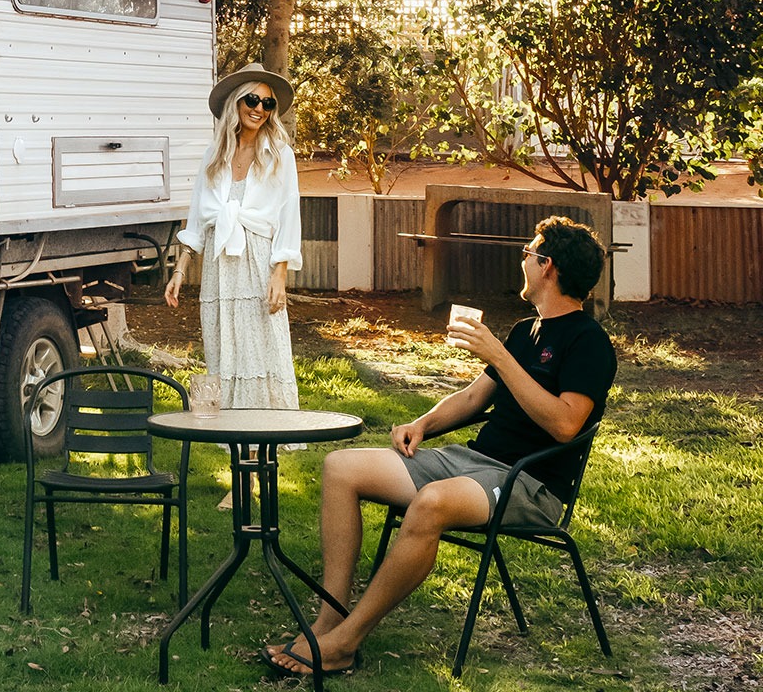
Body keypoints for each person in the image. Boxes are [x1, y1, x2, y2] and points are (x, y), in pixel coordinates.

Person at [261, 215, 616, 679]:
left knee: (430, 504)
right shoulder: (524, 330)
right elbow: (472, 398)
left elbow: (566, 425)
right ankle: (329, 619)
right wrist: (422, 424)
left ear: (548, 266)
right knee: (341, 467)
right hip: (472, 463)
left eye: (529, 252)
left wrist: (499, 357)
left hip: (529, 483)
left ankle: (345, 644)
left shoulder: (589, 342)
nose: (522, 259)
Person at [164, 61, 303, 415]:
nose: (259, 109)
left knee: (263, 346)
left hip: (258, 260)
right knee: (224, 346)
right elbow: (197, 218)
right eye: (253, 100)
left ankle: (265, 434)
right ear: (237, 103)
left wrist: (280, 274)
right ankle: (231, 431)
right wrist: (180, 270)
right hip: (219, 266)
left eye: (268, 103)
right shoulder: (214, 156)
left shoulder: (280, 155)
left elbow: (288, 216)